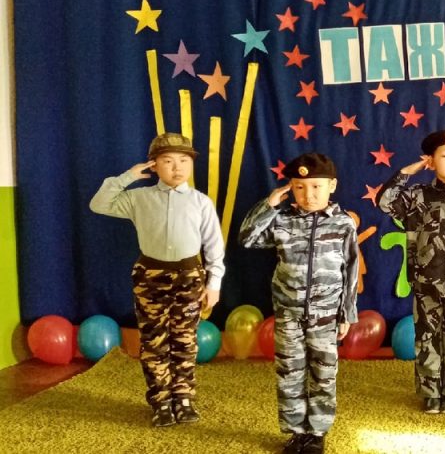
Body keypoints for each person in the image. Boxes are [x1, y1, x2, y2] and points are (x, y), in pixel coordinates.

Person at [89, 132, 225, 427]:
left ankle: (183, 398)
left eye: (184, 160)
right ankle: (161, 400)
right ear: (153, 165)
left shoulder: (201, 202)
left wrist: (213, 283)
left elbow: (214, 246)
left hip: (189, 277)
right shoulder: (139, 198)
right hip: (150, 277)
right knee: (153, 341)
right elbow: (98, 204)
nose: (177, 168)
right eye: (167, 161)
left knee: (185, 340)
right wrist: (128, 177)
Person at [238, 152, 359, 454]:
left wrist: (346, 313)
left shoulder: (343, 224)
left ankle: (316, 433)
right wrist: (269, 205)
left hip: (326, 315)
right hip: (288, 314)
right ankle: (295, 433)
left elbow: (351, 270)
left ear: (332, 186)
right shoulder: (283, 221)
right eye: (299, 187)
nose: (308, 194)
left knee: (323, 375)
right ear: (290, 188)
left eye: (316, 186)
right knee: (289, 374)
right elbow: (247, 238)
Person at [376, 130, 445, 414]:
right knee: (427, 337)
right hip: (426, 281)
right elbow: (385, 201)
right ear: (431, 161)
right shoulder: (418, 195)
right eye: (444, 156)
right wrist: (407, 172)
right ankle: (430, 392)